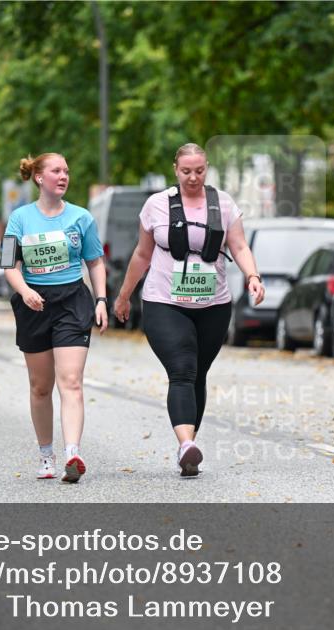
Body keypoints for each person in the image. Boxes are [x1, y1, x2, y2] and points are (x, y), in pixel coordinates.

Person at [113, 143, 265, 477]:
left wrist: (253, 276)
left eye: (199, 171)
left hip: (214, 304)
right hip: (164, 301)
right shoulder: (156, 205)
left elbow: (238, 246)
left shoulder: (223, 203)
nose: (193, 177)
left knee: (198, 373)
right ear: (175, 170)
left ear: (206, 168)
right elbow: (142, 254)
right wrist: (124, 296)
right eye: (186, 171)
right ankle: (185, 444)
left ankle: (189, 449)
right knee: (182, 368)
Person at [4, 152, 108, 483]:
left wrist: (102, 299)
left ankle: (72, 453)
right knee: (40, 387)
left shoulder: (82, 218)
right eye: (56, 171)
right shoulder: (19, 219)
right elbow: (9, 266)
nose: (63, 176)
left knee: (72, 381)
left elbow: (95, 262)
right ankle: (46, 455)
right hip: (33, 304)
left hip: (72, 303)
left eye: (67, 170)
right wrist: (25, 291)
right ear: (39, 177)